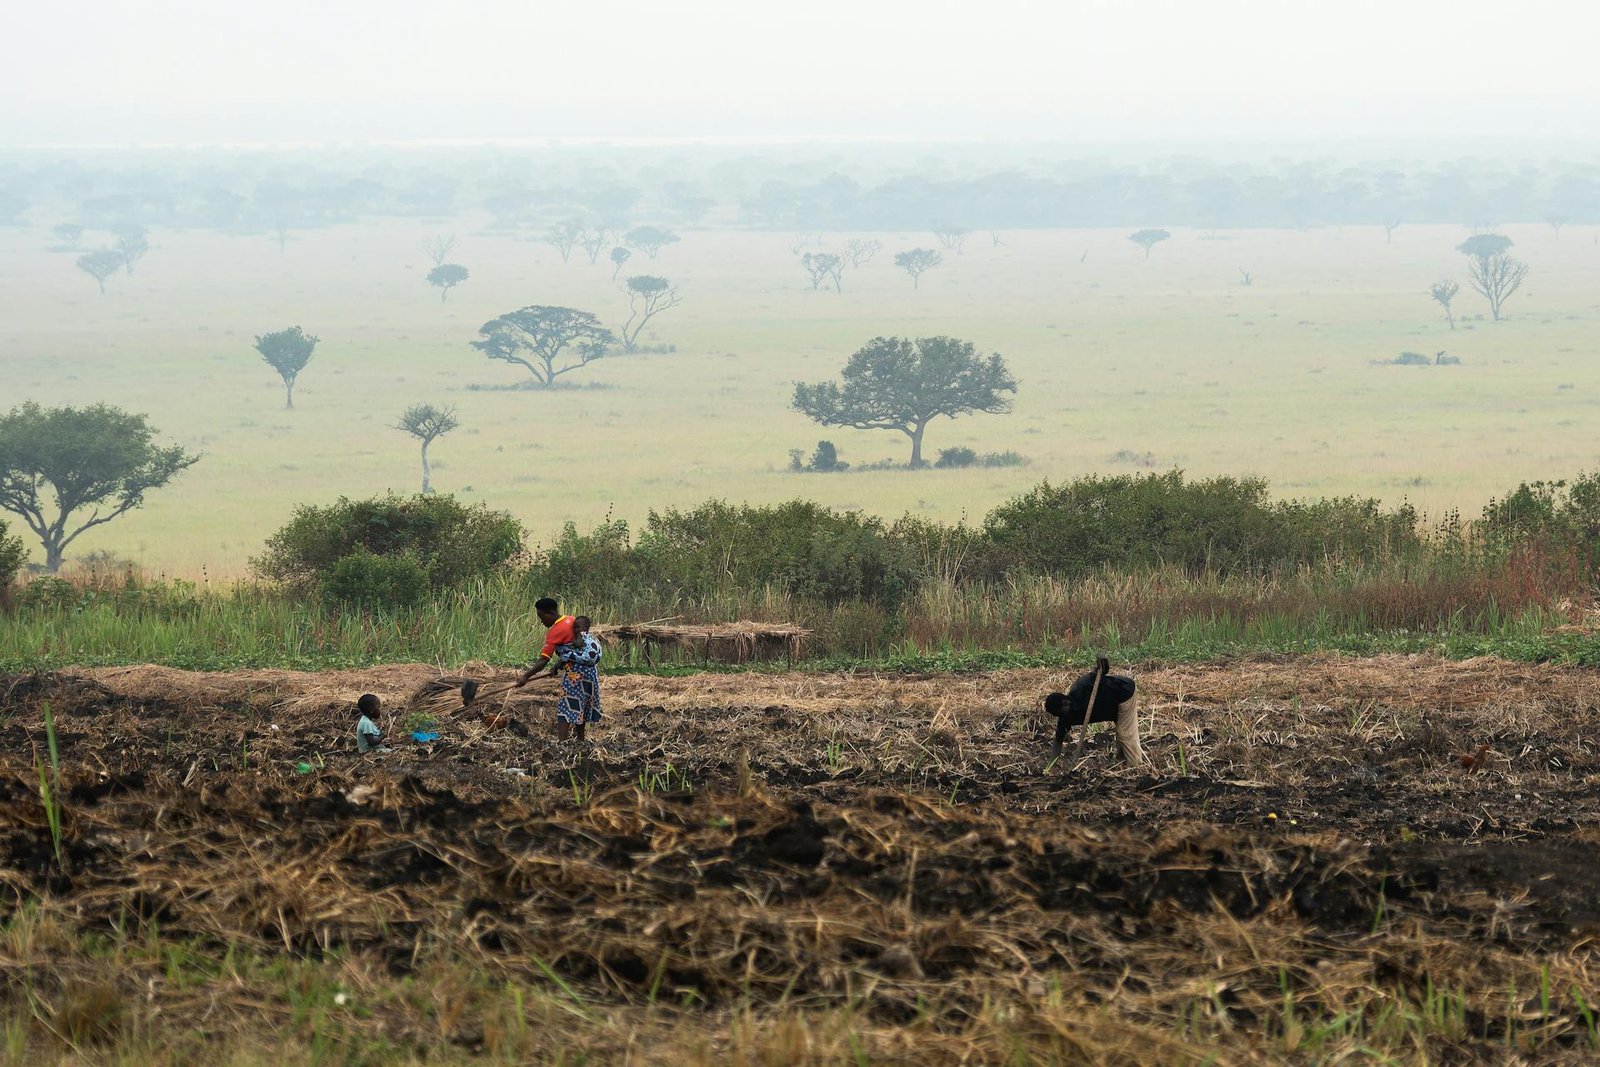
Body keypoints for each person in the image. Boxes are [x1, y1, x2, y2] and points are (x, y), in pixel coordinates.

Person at [516, 599, 601, 739]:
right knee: (582, 705)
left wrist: (526, 676)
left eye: (542, 617)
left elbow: (543, 660)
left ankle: (562, 744)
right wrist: (558, 665)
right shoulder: (571, 619)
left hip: (575, 674)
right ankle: (581, 740)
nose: (542, 621)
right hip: (590, 673)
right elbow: (574, 649)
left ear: (552, 612)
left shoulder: (555, 631)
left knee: (566, 707)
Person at [1042, 657, 1144, 765]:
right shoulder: (1065, 717)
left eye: (1059, 713)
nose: (1060, 717)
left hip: (1123, 693)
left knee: (1124, 733)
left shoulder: (1083, 687)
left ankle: (1135, 765)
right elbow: (1058, 741)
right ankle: (1122, 762)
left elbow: (1101, 672)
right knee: (1121, 733)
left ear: (1066, 703)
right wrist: (1050, 765)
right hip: (1110, 708)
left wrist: (1102, 664)